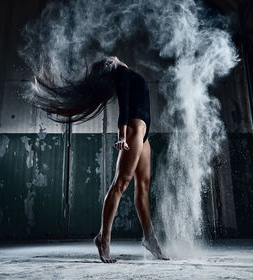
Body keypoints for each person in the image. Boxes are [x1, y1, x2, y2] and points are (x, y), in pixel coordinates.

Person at [25, 56, 168, 263]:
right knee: (120, 184)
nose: (113, 56)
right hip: (135, 130)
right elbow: (125, 106)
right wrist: (122, 136)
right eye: (110, 58)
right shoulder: (122, 73)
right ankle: (103, 238)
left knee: (143, 187)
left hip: (143, 133)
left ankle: (149, 237)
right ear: (111, 65)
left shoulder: (126, 73)